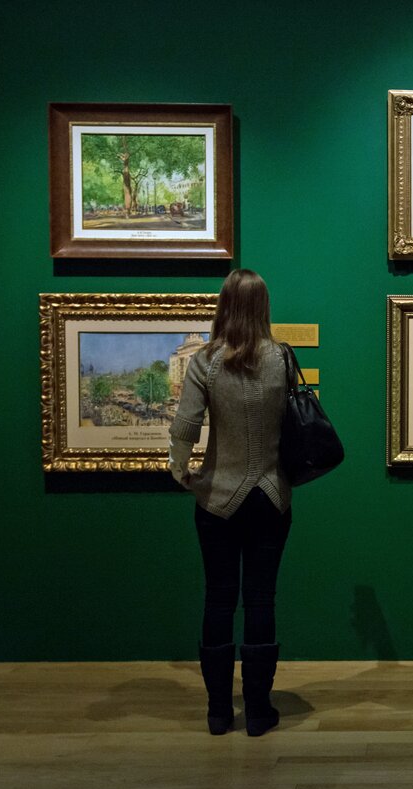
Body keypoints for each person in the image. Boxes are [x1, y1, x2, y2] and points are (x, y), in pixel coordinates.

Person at [169, 269, 292, 737]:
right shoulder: (283, 357)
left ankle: (219, 712)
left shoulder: (205, 361)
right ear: (263, 306)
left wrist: (179, 468)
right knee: (261, 599)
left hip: (216, 500)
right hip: (271, 497)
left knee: (218, 598)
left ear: (224, 305)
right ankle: (258, 712)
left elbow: (186, 423)